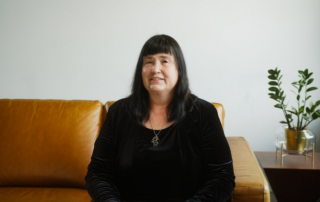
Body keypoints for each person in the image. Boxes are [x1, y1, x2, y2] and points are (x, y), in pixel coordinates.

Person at [85, 35, 235, 202]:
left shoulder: (203, 113)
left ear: (179, 69)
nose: (155, 69)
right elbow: (97, 173)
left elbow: (222, 177)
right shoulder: (119, 112)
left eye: (164, 61)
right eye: (148, 61)